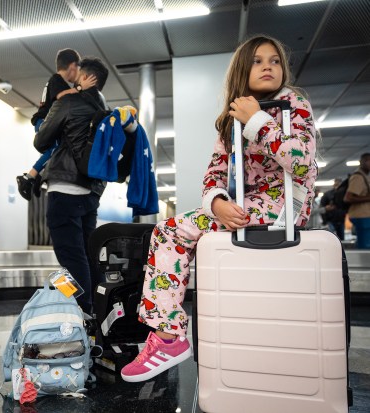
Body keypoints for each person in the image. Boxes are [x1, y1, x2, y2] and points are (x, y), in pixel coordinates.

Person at [120, 35, 317, 383]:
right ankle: (166, 334)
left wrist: (257, 120)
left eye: (274, 60)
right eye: (257, 60)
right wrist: (217, 203)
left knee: (169, 232)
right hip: (247, 206)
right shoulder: (231, 119)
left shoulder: (293, 103)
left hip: (284, 206)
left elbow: (302, 165)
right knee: (174, 228)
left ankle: (167, 337)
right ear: (242, 69)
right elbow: (214, 173)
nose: (268, 65)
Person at [33, 57, 110, 314]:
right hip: (91, 193)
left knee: (70, 259)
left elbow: (41, 140)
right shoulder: (104, 109)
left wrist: (60, 102)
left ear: (85, 77)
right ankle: (98, 314)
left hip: (64, 190)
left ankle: (81, 315)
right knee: (87, 258)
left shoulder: (68, 101)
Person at [16, 48, 97, 201]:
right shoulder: (56, 80)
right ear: (73, 66)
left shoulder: (61, 83)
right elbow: (61, 97)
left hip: (48, 122)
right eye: (79, 69)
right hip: (42, 121)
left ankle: (37, 177)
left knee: (58, 148)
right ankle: (28, 178)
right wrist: (80, 88)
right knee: (56, 147)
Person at [345, 153, 370, 248]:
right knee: (365, 246)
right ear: (362, 162)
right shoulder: (358, 177)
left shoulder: (366, 176)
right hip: (361, 216)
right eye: (368, 161)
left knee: (365, 243)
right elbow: (348, 197)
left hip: (365, 215)